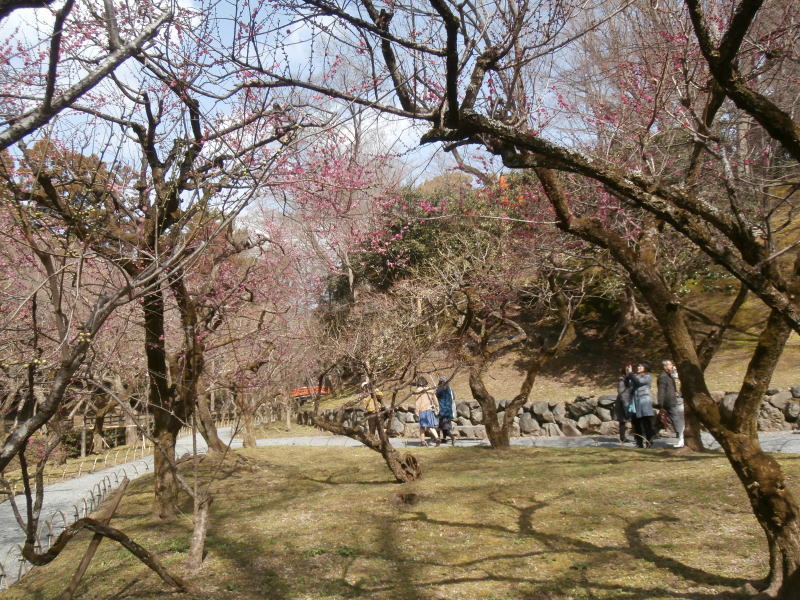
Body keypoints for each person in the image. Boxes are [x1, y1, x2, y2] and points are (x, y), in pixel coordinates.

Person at [626, 362, 656, 448]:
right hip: (635, 402)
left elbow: (638, 382)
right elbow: (628, 385)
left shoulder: (647, 377)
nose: (638, 367)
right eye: (638, 366)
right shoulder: (635, 376)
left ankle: (649, 442)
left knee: (647, 424)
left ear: (645, 368)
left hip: (644, 402)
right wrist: (628, 375)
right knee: (636, 423)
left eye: (640, 366)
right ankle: (639, 443)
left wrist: (631, 374)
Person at [658, 360, 685, 448]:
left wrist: (675, 392)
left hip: (673, 400)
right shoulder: (663, 377)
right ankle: (681, 438)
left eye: (672, 364)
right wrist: (661, 404)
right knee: (676, 420)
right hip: (669, 401)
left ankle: (681, 437)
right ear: (665, 367)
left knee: (677, 419)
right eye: (670, 365)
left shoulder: (669, 375)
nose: (672, 366)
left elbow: (672, 387)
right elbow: (661, 391)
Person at [413, 376, 440, 446]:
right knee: (431, 426)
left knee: (422, 427)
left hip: (422, 410)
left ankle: (422, 441)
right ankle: (437, 438)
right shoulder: (430, 389)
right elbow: (435, 399)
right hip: (430, 410)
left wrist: (416, 411)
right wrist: (437, 407)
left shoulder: (418, 390)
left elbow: (417, 402)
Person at [435, 376, 456, 446]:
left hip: (442, 410)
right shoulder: (450, 389)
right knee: (444, 427)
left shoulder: (440, 389)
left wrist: (436, 390)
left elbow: (435, 396)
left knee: (444, 427)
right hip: (449, 410)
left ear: (440, 382)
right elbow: (453, 398)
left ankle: (452, 437)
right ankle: (444, 439)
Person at [614, 366, 633, 443]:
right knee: (622, 421)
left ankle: (625, 437)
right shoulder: (622, 381)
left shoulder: (628, 380)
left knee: (624, 421)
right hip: (623, 404)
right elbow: (622, 394)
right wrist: (626, 405)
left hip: (627, 402)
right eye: (628, 371)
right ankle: (622, 437)